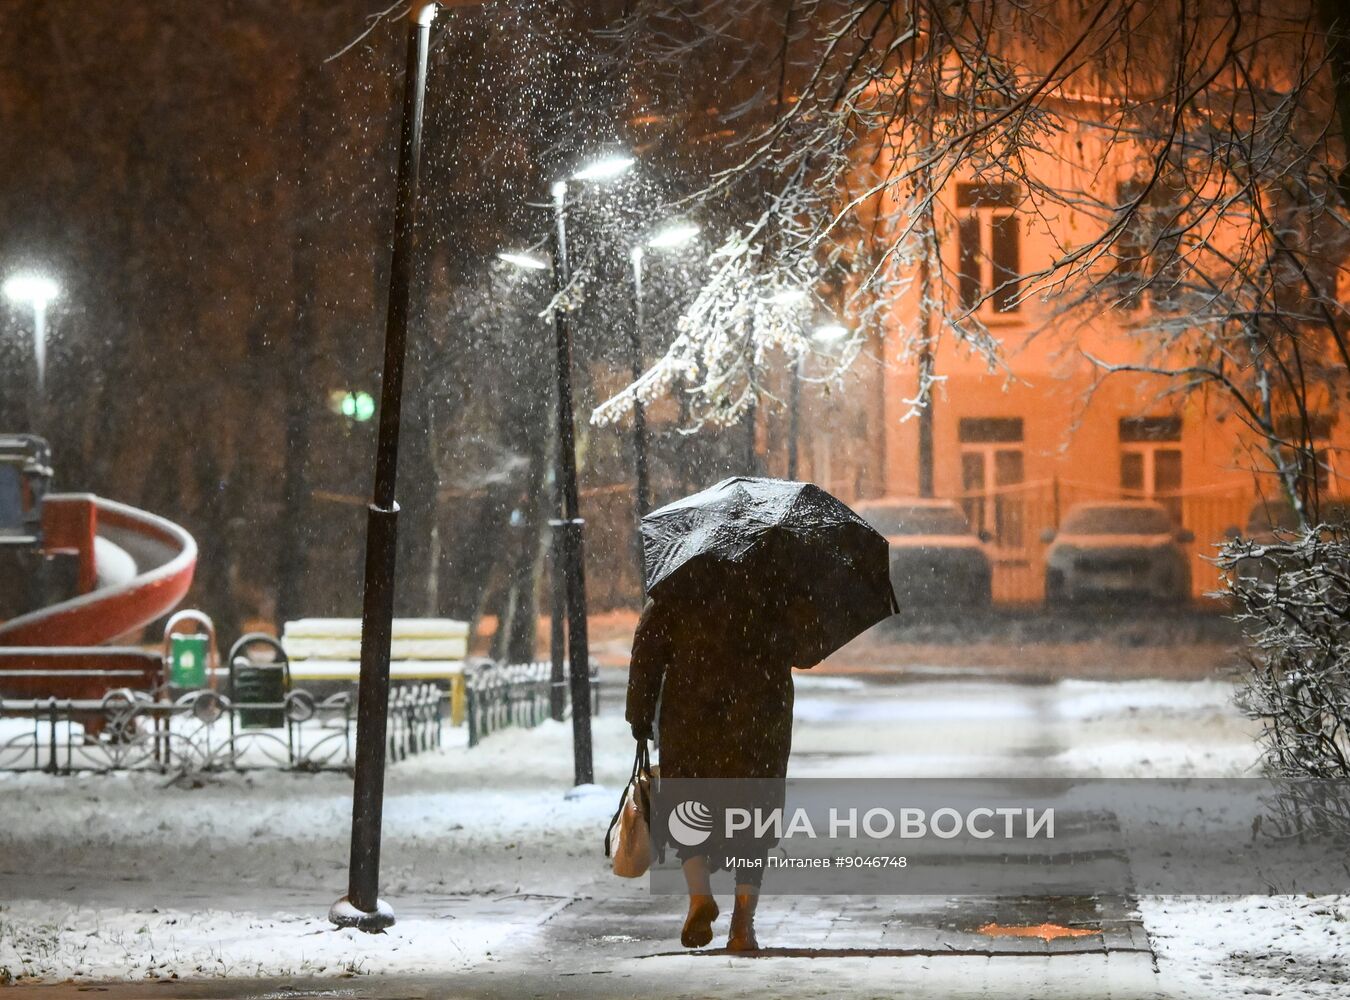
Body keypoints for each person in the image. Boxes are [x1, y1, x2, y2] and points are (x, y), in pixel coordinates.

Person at [625, 582, 808, 952]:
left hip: (691, 718)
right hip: (758, 720)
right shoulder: (772, 583)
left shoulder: (678, 584)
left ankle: (699, 897)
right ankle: (743, 924)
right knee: (752, 822)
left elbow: (647, 651)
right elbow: (804, 647)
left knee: (688, 810)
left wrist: (640, 716)